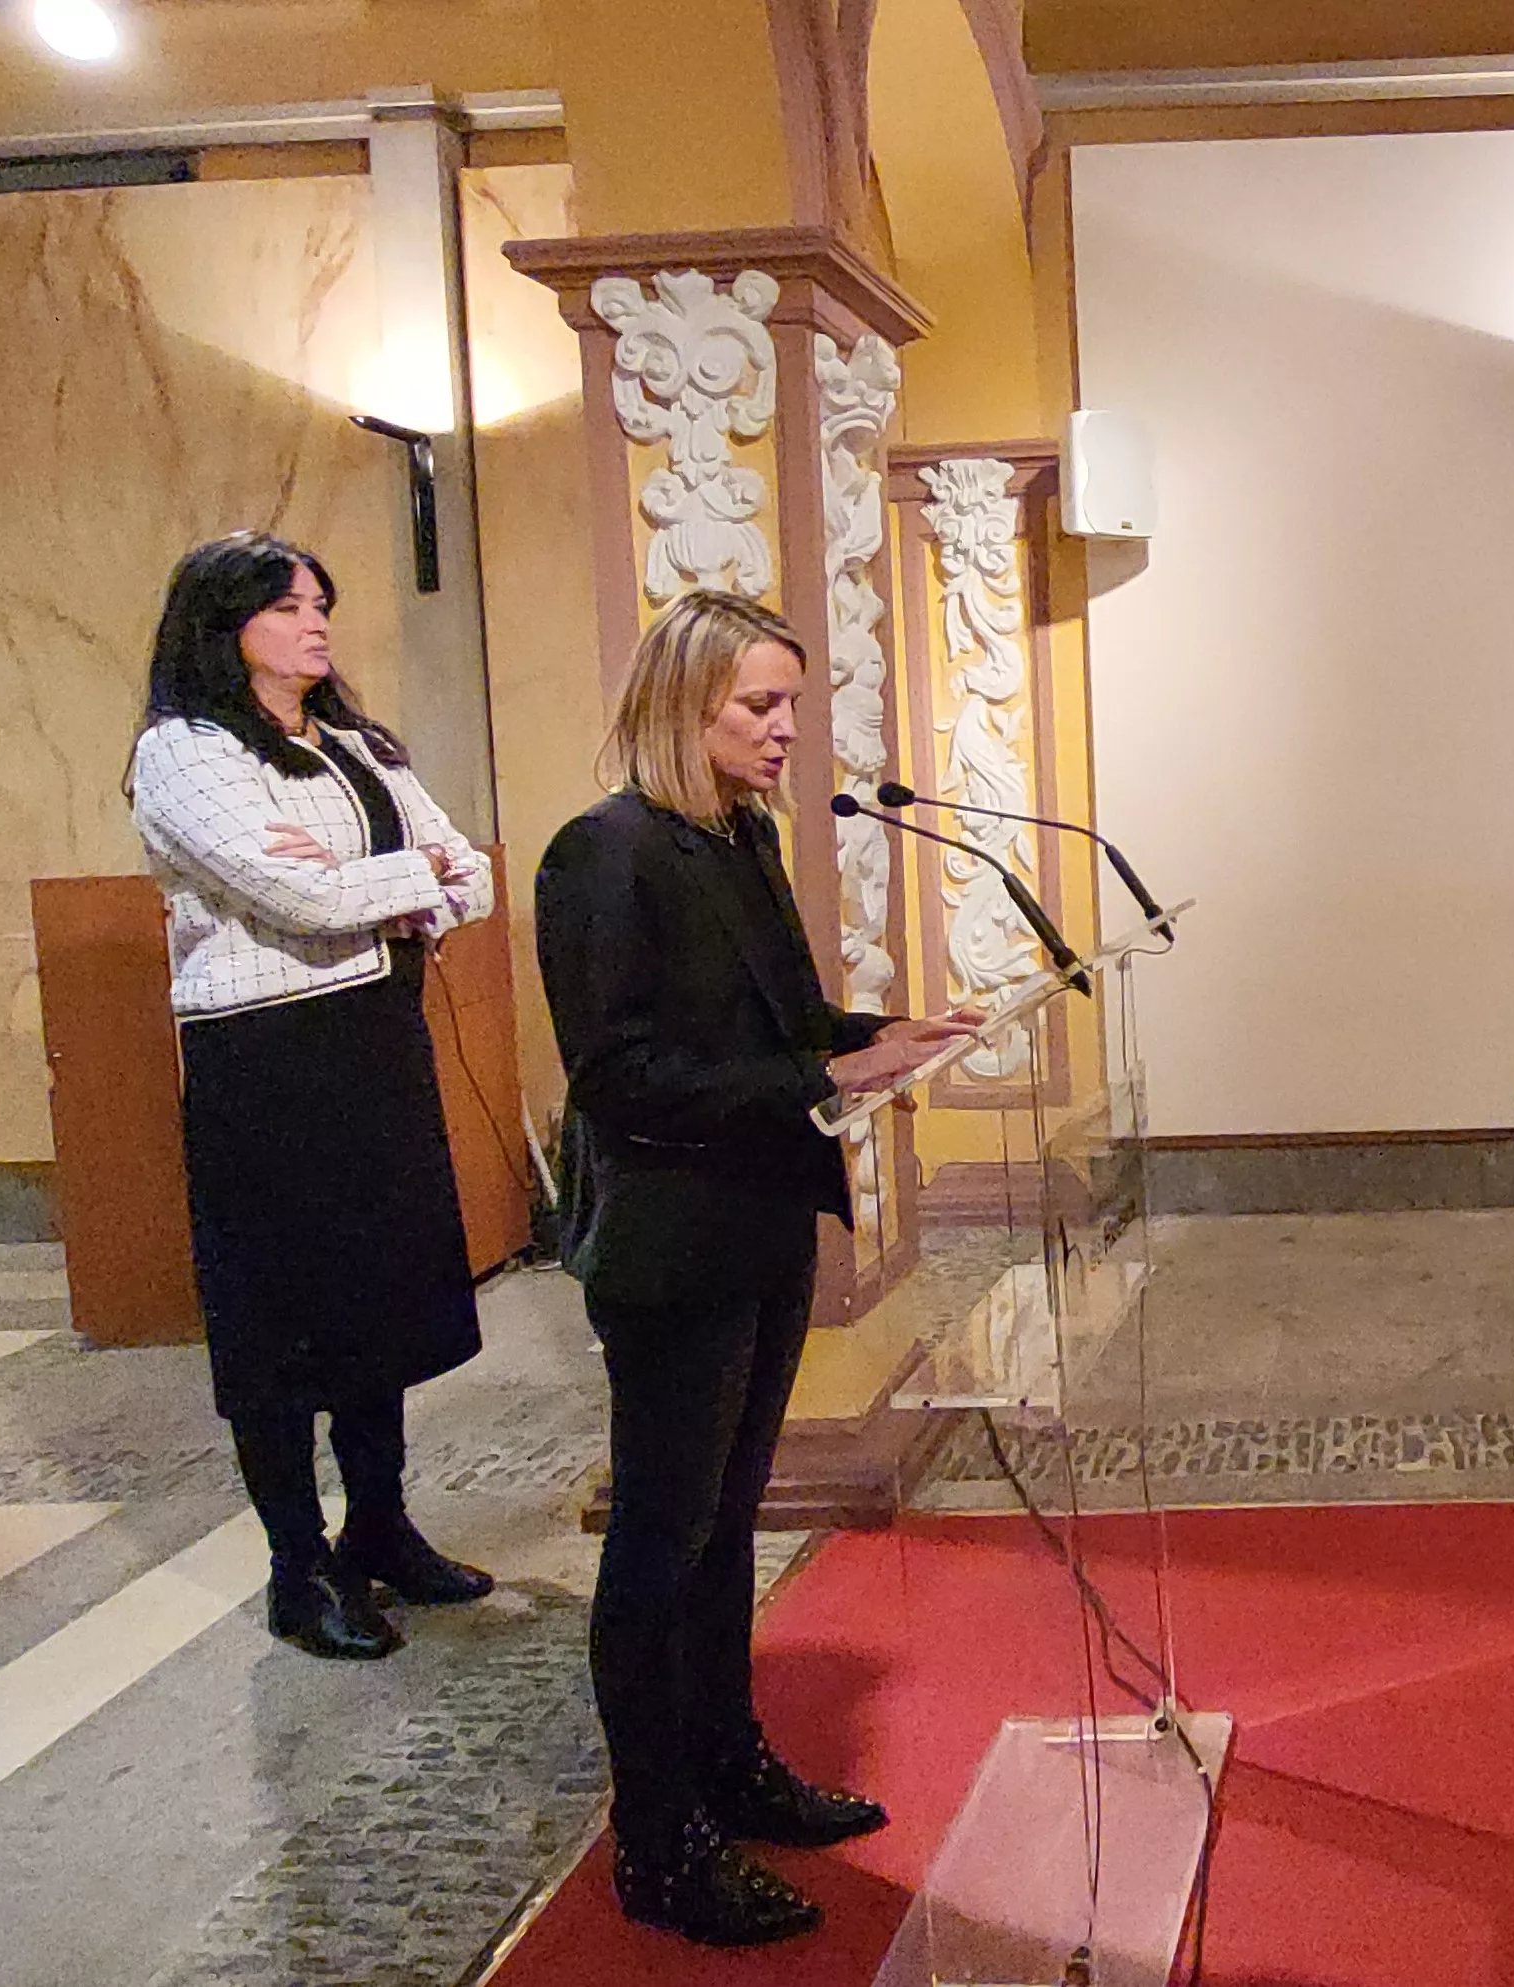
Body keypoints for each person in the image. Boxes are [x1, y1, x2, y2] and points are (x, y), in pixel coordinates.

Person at [535, 589, 979, 1948]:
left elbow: (778, 1020)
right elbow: (618, 1072)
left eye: (789, 701)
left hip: (761, 1214)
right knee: (660, 1540)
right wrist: (820, 1068)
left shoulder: (737, 834)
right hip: (673, 1236)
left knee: (727, 1518)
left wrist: (879, 1033)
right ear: (684, 702)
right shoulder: (600, 853)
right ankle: (657, 1839)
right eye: (760, 705)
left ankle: (729, 1762)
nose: (786, 728)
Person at [126, 533, 498, 1662]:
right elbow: (283, 885)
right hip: (265, 1056)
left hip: (371, 1039)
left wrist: (378, 886)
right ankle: (300, 1564)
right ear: (221, 624)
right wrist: (390, 883)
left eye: (320, 602)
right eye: (287, 606)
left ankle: (380, 1524)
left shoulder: (349, 745)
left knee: (376, 1297)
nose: (315, 622)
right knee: (281, 1316)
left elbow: (469, 872)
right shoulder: (184, 751)